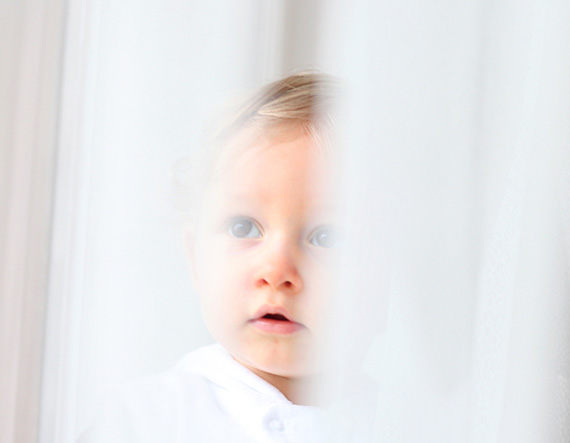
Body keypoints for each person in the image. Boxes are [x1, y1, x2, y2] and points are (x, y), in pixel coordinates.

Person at [81, 72, 375, 442]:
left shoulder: (410, 423)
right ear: (195, 258)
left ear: (384, 283)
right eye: (243, 228)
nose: (276, 270)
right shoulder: (145, 419)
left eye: (326, 236)